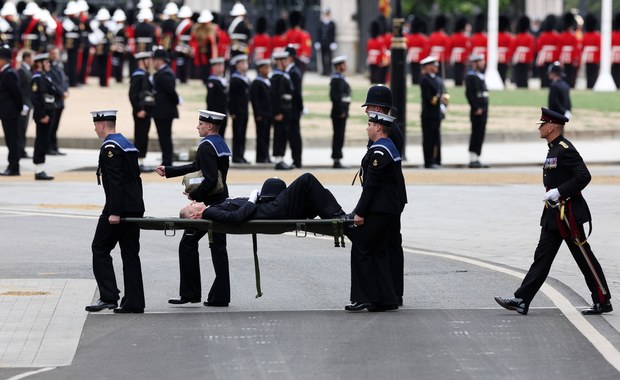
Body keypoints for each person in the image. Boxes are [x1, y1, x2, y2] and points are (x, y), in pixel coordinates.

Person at [495, 107, 612, 316]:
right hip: (554, 214)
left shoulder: (565, 148)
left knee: (584, 257)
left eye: (542, 124)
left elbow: (584, 176)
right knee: (542, 257)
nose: (539, 128)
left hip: (569, 216)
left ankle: (602, 299)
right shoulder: (553, 148)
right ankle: (521, 299)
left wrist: (560, 191)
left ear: (551, 127)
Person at [155, 110, 232, 308]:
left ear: (209, 126)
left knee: (187, 244)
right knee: (218, 248)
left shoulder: (206, 146)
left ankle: (190, 293)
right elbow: (197, 166)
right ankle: (221, 296)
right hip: (222, 202)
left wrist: (195, 196)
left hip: (209, 206)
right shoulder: (219, 144)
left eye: (200, 124)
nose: (197, 127)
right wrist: (170, 171)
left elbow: (210, 179)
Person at [86, 109, 146, 314]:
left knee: (100, 248)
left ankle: (108, 296)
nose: (95, 129)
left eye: (96, 125)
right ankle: (134, 302)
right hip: (134, 206)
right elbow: (135, 179)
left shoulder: (110, 147)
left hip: (118, 208)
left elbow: (116, 181)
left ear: (103, 125)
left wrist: (115, 212)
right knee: (130, 254)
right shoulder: (126, 144)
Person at [346, 111, 406, 312]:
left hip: (379, 210)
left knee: (362, 247)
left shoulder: (380, 151)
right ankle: (387, 298)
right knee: (379, 250)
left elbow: (372, 186)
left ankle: (365, 297)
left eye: (370, 124)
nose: (367, 127)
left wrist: (359, 213)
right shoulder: (389, 147)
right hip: (388, 209)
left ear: (378, 127)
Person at [181, 173, 346, 225]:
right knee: (307, 180)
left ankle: (337, 217)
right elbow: (235, 217)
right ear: (195, 216)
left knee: (320, 194)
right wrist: (252, 200)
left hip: (271, 207)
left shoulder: (212, 208)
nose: (193, 203)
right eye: (190, 206)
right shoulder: (211, 213)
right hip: (272, 210)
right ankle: (338, 217)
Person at [31, 53, 59, 180]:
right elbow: (36, 99)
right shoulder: (37, 78)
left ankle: (41, 168)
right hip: (43, 115)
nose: (49, 65)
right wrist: (42, 115)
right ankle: (39, 169)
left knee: (44, 140)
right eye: (46, 63)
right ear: (39, 64)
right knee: (41, 141)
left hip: (48, 113)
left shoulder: (45, 77)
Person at [152, 47, 179, 167]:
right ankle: (166, 159)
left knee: (165, 137)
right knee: (163, 137)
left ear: (160, 60)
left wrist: (177, 100)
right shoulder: (162, 73)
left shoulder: (165, 74)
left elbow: (171, 92)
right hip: (162, 111)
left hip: (165, 111)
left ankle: (167, 161)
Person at [419, 55, 448, 169]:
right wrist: (437, 99)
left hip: (437, 113)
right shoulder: (425, 79)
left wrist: (445, 100)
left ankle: (437, 159)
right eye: (433, 65)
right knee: (428, 138)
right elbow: (427, 97)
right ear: (427, 67)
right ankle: (429, 160)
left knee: (436, 137)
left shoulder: (438, 79)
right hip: (429, 114)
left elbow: (444, 92)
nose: (436, 67)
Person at [129, 51, 154, 173]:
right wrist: (138, 109)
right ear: (141, 61)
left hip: (145, 111)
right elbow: (132, 95)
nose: (150, 62)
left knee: (144, 136)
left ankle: (141, 160)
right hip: (140, 111)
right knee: (140, 136)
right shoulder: (138, 75)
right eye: (148, 59)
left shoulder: (144, 74)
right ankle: (138, 162)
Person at [0, 44, 23, 176]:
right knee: (10, 140)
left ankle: (14, 166)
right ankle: (12, 165)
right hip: (6, 113)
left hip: (10, 113)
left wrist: (18, 109)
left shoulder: (9, 73)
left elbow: (17, 94)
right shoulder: (4, 72)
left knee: (12, 140)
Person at [270, 50, 294, 170]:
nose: (286, 61)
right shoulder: (276, 76)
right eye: (283, 60)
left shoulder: (283, 75)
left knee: (283, 134)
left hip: (286, 109)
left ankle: (281, 157)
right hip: (280, 111)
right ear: (278, 62)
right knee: (279, 134)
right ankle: (278, 159)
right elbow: (274, 96)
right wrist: (277, 112)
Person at [465, 54, 489, 168]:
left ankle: (477, 156)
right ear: (475, 63)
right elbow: (469, 94)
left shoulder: (480, 75)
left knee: (480, 133)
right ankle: (472, 157)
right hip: (477, 110)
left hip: (483, 109)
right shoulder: (471, 76)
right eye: (480, 61)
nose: (483, 63)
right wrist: (476, 108)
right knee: (476, 133)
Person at [47, 47, 70, 156]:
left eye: (56, 54)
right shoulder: (48, 67)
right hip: (54, 99)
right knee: (51, 126)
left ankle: (54, 147)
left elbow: (65, 79)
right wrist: (62, 93)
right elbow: (53, 83)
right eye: (53, 54)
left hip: (60, 101)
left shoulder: (59, 66)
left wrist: (66, 90)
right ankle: (49, 147)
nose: (55, 56)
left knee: (55, 126)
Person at [329, 55, 351, 169]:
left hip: (343, 112)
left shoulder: (340, 78)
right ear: (338, 66)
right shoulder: (336, 79)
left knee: (340, 136)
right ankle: (336, 159)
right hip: (339, 113)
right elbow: (335, 97)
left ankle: (338, 158)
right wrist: (341, 111)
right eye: (343, 64)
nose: (345, 66)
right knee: (338, 136)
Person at [228, 53, 250, 164]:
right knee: (237, 133)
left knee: (243, 134)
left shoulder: (246, 78)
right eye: (242, 63)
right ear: (237, 65)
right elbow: (231, 97)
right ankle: (237, 156)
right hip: (237, 111)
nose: (245, 65)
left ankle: (242, 155)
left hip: (245, 110)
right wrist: (232, 111)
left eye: (246, 63)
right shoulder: (235, 79)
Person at [284, 45, 304, 168]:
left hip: (293, 109)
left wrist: (300, 108)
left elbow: (296, 93)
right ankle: (296, 159)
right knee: (293, 134)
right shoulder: (292, 71)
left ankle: (297, 160)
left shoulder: (293, 72)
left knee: (294, 135)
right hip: (293, 108)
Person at [250, 59, 272, 163]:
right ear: (260, 69)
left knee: (267, 135)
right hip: (261, 114)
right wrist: (257, 113)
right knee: (261, 136)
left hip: (268, 113)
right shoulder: (256, 82)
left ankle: (266, 155)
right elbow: (255, 100)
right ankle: (261, 157)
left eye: (268, 67)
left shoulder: (268, 80)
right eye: (265, 67)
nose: (267, 70)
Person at [17, 50, 33, 159]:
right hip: (24, 104)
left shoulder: (27, 69)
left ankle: (22, 149)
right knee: (21, 128)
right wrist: (23, 104)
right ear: (26, 58)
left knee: (24, 128)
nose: (33, 60)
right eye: (31, 58)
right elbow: (20, 89)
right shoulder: (22, 71)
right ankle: (20, 150)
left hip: (28, 103)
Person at [206, 57, 228, 137]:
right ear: (213, 68)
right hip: (215, 112)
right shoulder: (212, 80)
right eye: (218, 65)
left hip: (223, 111)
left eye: (222, 65)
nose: (221, 67)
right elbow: (210, 99)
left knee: (222, 134)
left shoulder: (224, 80)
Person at [316, 7, 336, 76]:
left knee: (330, 57)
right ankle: (324, 71)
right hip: (322, 43)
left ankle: (329, 70)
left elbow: (333, 34)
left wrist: (333, 42)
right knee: (322, 57)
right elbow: (318, 33)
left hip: (329, 43)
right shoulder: (320, 23)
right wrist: (318, 42)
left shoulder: (332, 23)